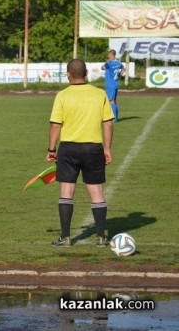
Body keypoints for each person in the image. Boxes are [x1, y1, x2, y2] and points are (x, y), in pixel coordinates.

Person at [47, 58, 114, 248]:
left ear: (68, 75)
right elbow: (108, 123)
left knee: (66, 192)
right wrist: (107, 149)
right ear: (86, 74)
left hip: (68, 148)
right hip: (93, 148)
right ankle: (101, 237)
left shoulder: (62, 95)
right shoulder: (99, 94)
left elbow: (55, 124)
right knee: (96, 192)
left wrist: (52, 150)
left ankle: (65, 238)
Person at [101, 49, 126, 122]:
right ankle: (116, 117)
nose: (107, 56)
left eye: (108, 55)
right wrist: (120, 74)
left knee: (111, 101)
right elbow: (124, 69)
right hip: (115, 84)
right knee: (114, 101)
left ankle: (114, 118)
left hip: (110, 85)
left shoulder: (109, 63)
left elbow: (102, 68)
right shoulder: (118, 62)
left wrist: (107, 61)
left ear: (111, 55)